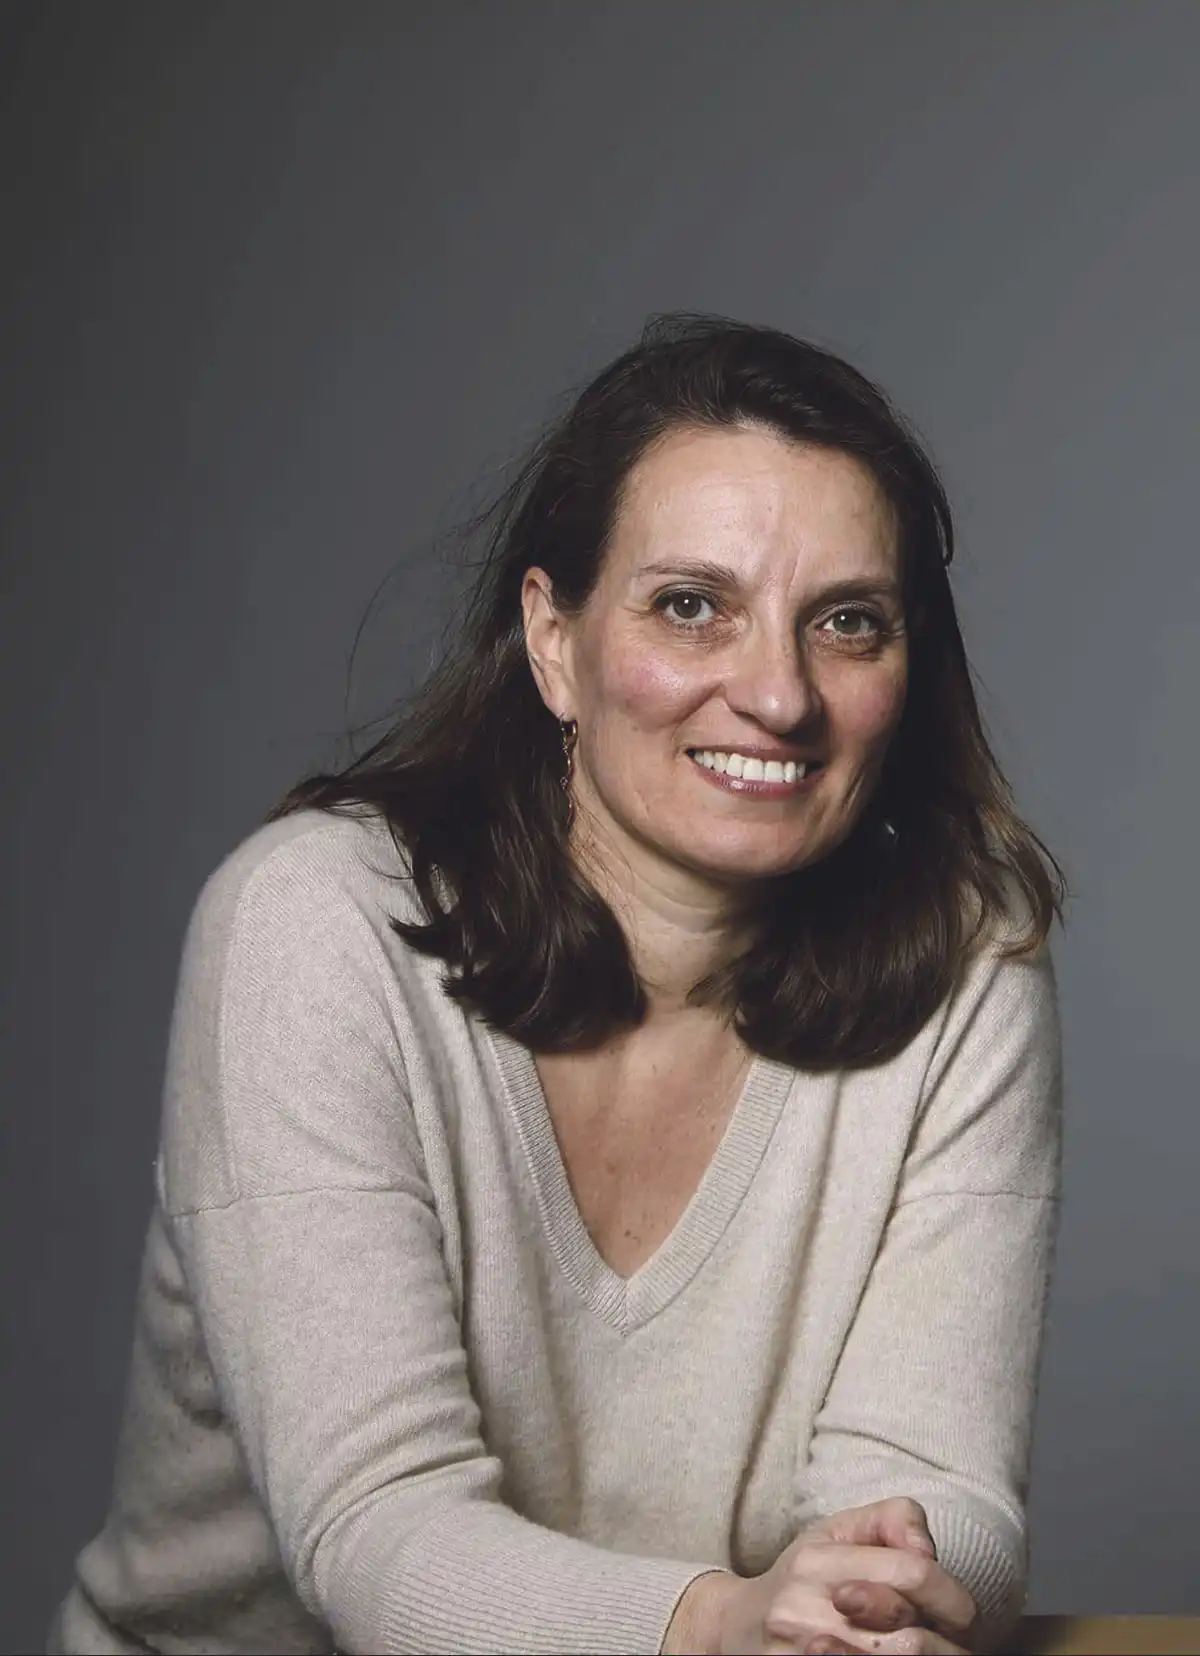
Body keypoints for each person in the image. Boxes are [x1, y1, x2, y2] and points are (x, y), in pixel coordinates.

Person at [50, 314, 1064, 1656]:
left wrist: (867, 1597)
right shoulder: (313, 928)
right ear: (551, 638)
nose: (778, 694)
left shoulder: (965, 959)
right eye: (691, 605)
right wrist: (717, 1624)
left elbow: (942, 1490)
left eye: (847, 622)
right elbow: (378, 1534)